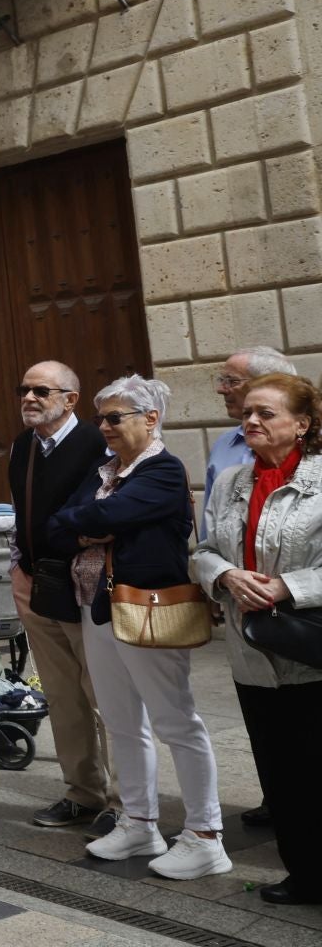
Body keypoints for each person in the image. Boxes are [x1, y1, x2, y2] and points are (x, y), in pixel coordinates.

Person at [46, 376, 227, 880]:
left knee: (176, 722)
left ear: (151, 419)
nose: (104, 427)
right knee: (121, 721)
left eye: (115, 417)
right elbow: (57, 524)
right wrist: (93, 523)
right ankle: (140, 821)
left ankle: (205, 834)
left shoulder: (163, 470)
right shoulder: (103, 470)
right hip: (98, 607)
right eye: (101, 418)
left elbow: (115, 512)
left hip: (148, 608)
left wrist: (98, 521)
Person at [191, 372, 322, 905]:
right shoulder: (230, 483)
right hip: (251, 654)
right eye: (247, 413)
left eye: (265, 413)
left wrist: (287, 586)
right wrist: (225, 575)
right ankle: (306, 875)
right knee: (280, 773)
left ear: (303, 424)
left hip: (310, 650)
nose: (250, 422)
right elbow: (201, 550)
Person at [8, 362, 118, 834]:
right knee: (61, 694)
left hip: (82, 584)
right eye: (24, 389)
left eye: (41, 391)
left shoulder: (97, 444)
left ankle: (125, 799)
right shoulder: (23, 446)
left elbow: (89, 515)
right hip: (36, 584)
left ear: (71, 400)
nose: (29, 398)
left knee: (104, 696)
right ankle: (83, 792)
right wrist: (20, 565)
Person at [206, 347, 298, 542]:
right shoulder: (223, 446)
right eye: (222, 380)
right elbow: (209, 537)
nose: (221, 389)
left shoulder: (314, 449)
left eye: (232, 381)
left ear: (271, 385)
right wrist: (220, 571)